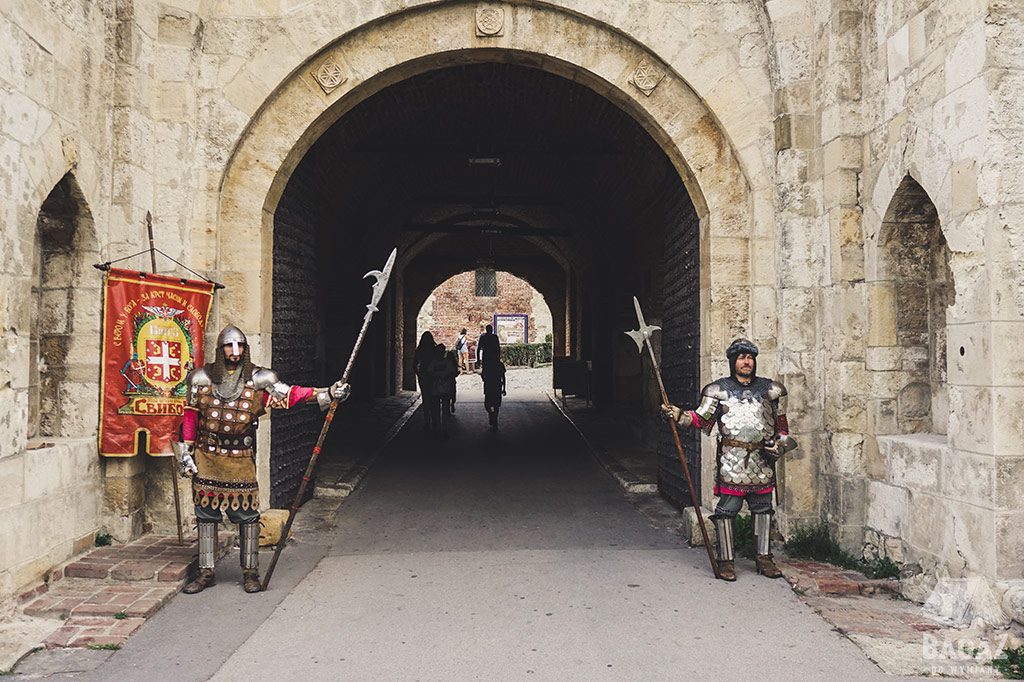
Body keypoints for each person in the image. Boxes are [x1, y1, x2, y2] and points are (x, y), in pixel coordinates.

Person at [172, 325, 350, 593]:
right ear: (220, 349)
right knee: (206, 515)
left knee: (246, 516)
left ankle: (250, 572)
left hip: (240, 459)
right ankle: (206, 572)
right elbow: (190, 417)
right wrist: (185, 453)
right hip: (207, 456)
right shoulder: (200, 379)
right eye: (229, 346)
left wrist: (327, 392)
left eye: (239, 346)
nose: (234, 351)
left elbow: (291, 395)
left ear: (245, 349)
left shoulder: (259, 379)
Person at [661, 338, 797, 582]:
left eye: (750, 357)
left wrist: (780, 444)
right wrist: (679, 414)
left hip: (762, 461)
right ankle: (725, 560)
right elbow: (701, 419)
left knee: (763, 509)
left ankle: (764, 558)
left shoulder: (772, 390)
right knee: (726, 511)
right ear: (733, 361)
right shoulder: (718, 391)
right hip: (731, 462)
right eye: (742, 358)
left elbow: (782, 426)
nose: (746, 362)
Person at [426, 343, 457, 438]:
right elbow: (452, 373)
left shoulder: (434, 362)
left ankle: (441, 428)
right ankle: (442, 429)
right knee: (441, 409)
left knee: (440, 409)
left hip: (440, 388)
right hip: (442, 387)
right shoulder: (447, 362)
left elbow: (429, 373)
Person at [414, 331, 437, 430]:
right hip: (433, 375)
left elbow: (414, 364)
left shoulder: (420, 350)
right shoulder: (434, 349)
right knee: (434, 398)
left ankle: (427, 422)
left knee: (426, 399)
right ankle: (435, 420)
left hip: (423, 375)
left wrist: (418, 373)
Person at [482, 360, 507, 432]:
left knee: (488, 405)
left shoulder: (487, 364)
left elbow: (483, 376)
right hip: (497, 386)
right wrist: (504, 388)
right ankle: (494, 418)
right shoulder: (499, 364)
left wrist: (484, 378)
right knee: (496, 405)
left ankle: (492, 417)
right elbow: (503, 377)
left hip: (489, 386)